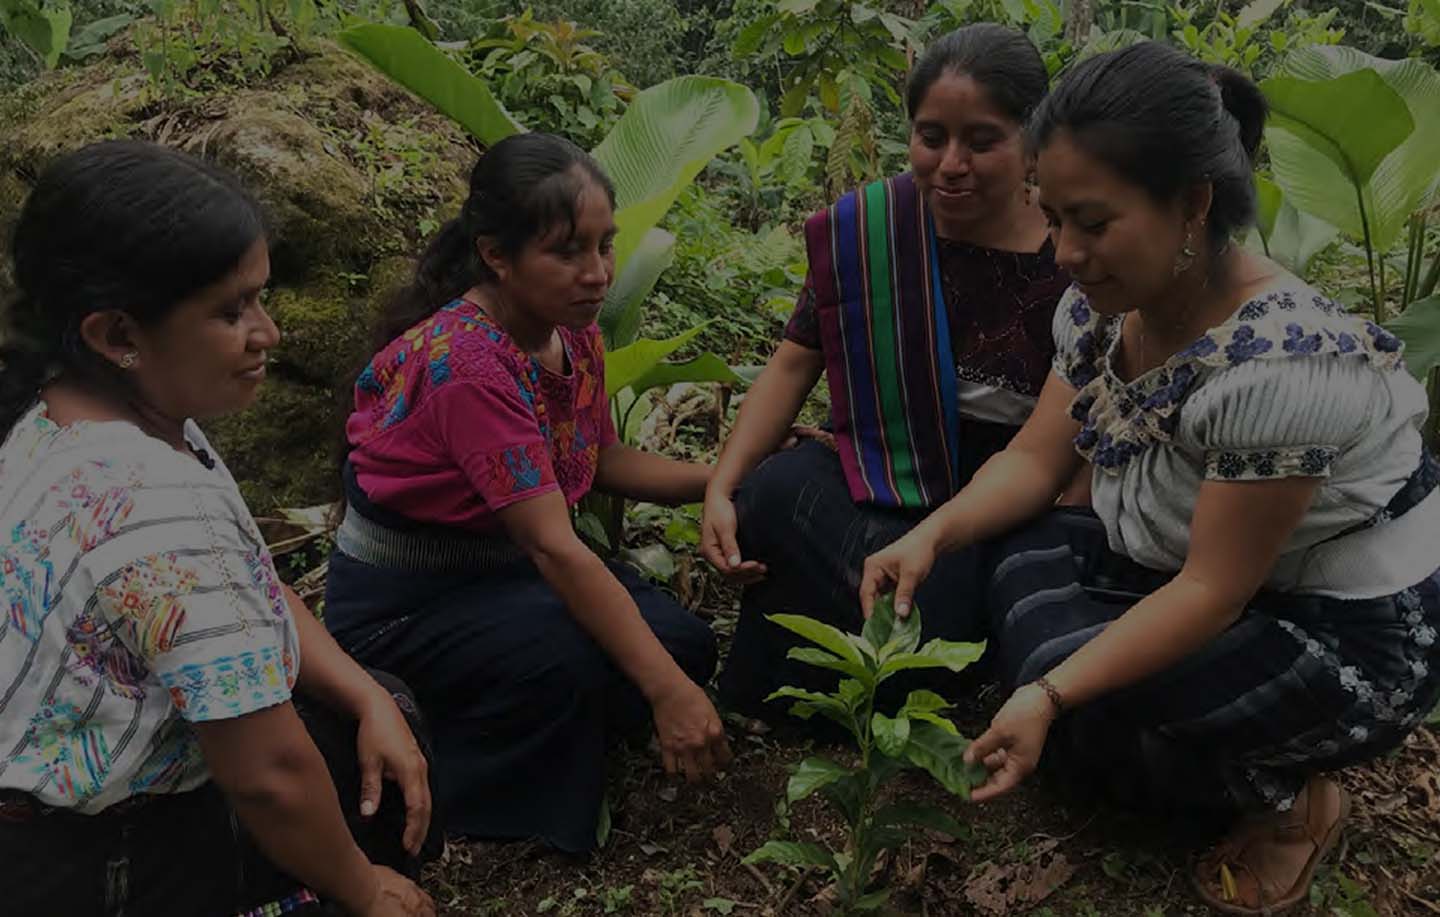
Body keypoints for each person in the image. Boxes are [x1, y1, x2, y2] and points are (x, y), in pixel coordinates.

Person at [859, 41, 1440, 915]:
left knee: (1076, 703)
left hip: (1346, 628)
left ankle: (1300, 802)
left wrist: (1051, 692)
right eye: (1052, 218)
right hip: (1217, 570)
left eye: (1093, 223)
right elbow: (1034, 460)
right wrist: (930, 534)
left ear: (1193, 205)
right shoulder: (1104, 307)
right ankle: (1120, 718)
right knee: (1022, 564)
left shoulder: (1279, 367)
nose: (1063, 251)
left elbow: (1210, 590)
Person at [0, 141, 439, 917]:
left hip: (45, 816)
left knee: (378, 707)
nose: (267, 332)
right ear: (117, 335)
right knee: (346, 799)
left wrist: (367, 695)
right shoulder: (154, 503)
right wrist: (363, 888)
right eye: (232, 310)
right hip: (95, 862)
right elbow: (267, 773)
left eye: (262, 298)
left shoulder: (74, 413)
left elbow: (254, 588)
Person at [322, 131, 730, 855]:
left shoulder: (570, 335)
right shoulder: (468, 365)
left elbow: (596, 456)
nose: (597, 272)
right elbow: (552, 544)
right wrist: (666, 693)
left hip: (501, 573)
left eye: (605, 245)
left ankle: (534, 725)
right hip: (409, 604)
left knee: (681, 643)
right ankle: (455, 775)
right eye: (568, 250)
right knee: (578, 664)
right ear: (496, 255)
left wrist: (721, 478)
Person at [706, 24, 1072, 715]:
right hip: (885, 465)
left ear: (1031, 140)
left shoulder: (1071, 250)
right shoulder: (869, 233)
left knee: (944, 606)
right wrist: (721, 487)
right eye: (932, 137)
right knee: (771, 494)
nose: (951, 163)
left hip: (1006, 490)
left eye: (982, 140)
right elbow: (792, 364)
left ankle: (910, 649)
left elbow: (1065, 447)